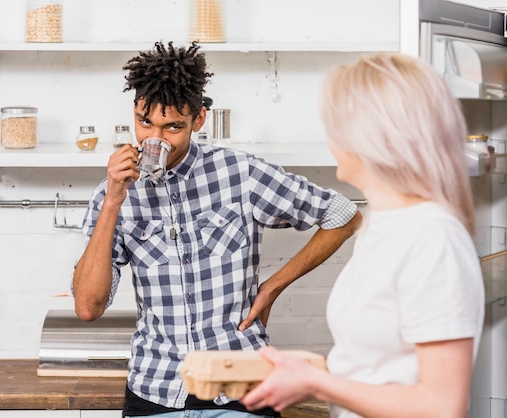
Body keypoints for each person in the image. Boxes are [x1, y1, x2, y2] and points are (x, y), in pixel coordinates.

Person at [72, 41, 362, 418]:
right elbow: (87, 307)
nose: (155, 139)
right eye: (146, 123)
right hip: (155, 393)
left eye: (173, 127)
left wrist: (272, 287)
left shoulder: (239, 173)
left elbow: (343, 214)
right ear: (135, 112)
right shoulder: (114, 191)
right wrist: (113, 200)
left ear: (199, 119)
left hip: (242, 392)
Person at [240, 53, 485, 418]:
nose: (330, 137)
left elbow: (441, 408)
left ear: (371, 136)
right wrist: (310, 373)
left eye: (336, 124)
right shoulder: (383, 226)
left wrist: (316, 383)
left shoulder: (432, 238)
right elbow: (377, 371)